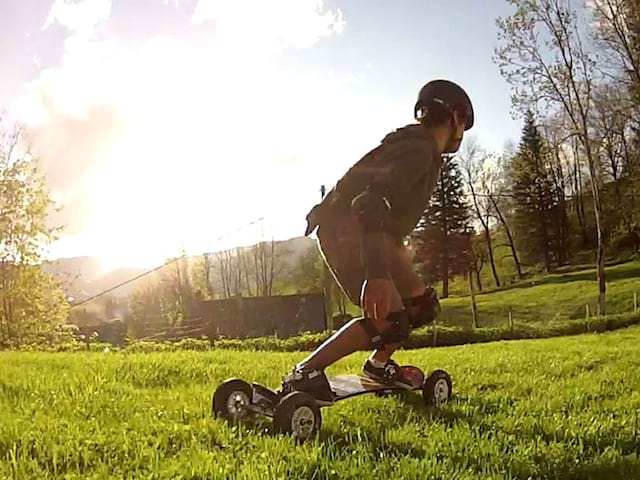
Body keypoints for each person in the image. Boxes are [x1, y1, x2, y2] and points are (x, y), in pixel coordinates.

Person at [282, 79, 474, 403]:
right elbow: (368, 204)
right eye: (464, 125)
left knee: (421, 306)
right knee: (390, 319)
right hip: (348, 230)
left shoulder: (417, 146)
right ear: (455, 117)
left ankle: (377, 366)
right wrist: (378, 275)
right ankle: (305, 372)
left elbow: (367, 189)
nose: (462, 134)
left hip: (370, 231)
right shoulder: (418, 150)